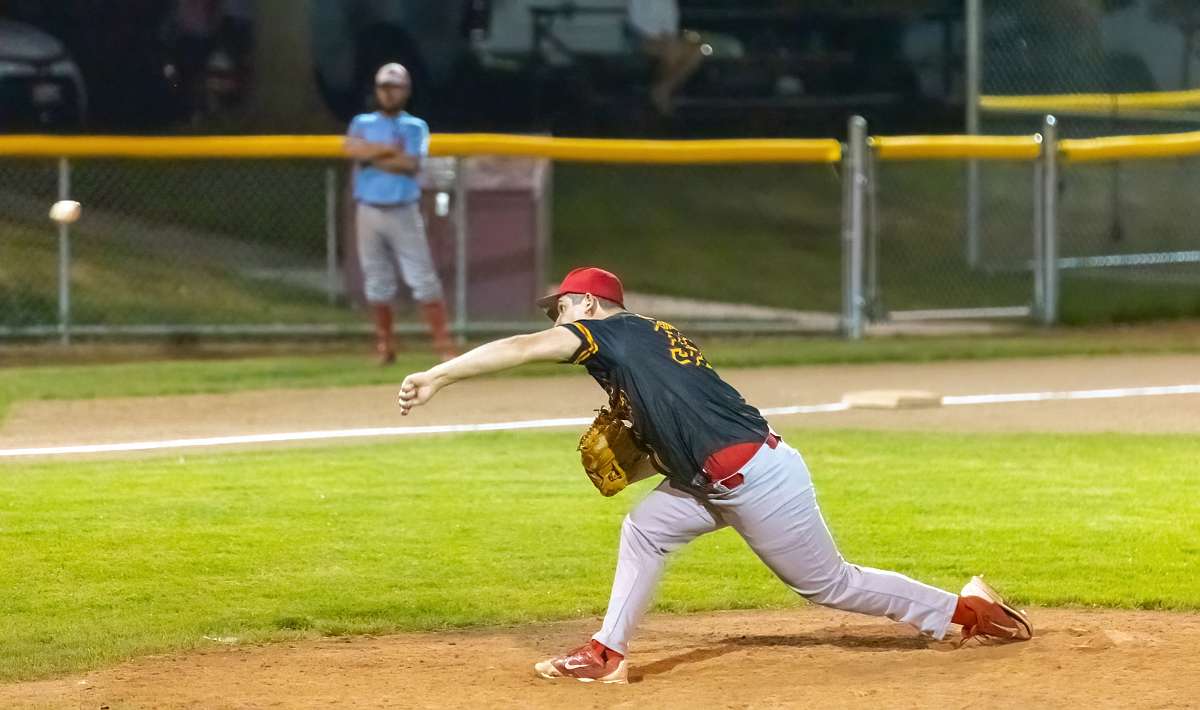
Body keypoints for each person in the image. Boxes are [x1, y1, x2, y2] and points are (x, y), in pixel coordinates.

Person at [397, 266, 1033, 684]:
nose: (556, 324)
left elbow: (519, 348)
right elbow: (684, 422)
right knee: (645, 530)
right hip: (712, 479)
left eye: (561, 310)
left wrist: (437, 375)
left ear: (589, 304)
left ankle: (966, 612)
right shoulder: (646, 340)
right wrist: (650, 453)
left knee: (830, 584)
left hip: (757, 477)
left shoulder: (609, 334)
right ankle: (606, 653)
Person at [344, 63, 456, 364]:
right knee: (376, 279)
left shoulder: (414, 126)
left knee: (423, 278)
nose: (388, 93)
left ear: (406, 91)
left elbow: (410, 164)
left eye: (394, 88)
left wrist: (372, 154)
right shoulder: (362, 121)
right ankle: (385, 346)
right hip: (368, 209)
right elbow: (352, 150)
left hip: (403, 210)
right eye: (384, 87)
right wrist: (389, 151)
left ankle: (443, 346)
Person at [627, 0, 704, 115]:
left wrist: (669, 38)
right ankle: (660, 97)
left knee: (698, 51)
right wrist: (663, 38)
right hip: (639, 38)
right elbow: (637, 21)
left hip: (665, 40)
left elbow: (671, 24)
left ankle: (663, 89)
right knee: (672, 52)